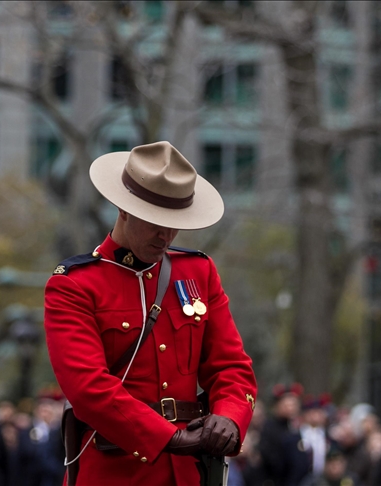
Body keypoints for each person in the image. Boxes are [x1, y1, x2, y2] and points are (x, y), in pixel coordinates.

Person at [44, 141, 257, 485]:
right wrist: (169, 438)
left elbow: (231, 366)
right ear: (123, 209)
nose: (167, 234)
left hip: (188, 472)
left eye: (175, 222)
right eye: (156, 221)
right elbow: (88, 387)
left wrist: (229, 417)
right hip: (114, 469)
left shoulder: (198, 272)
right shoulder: (76, 284)